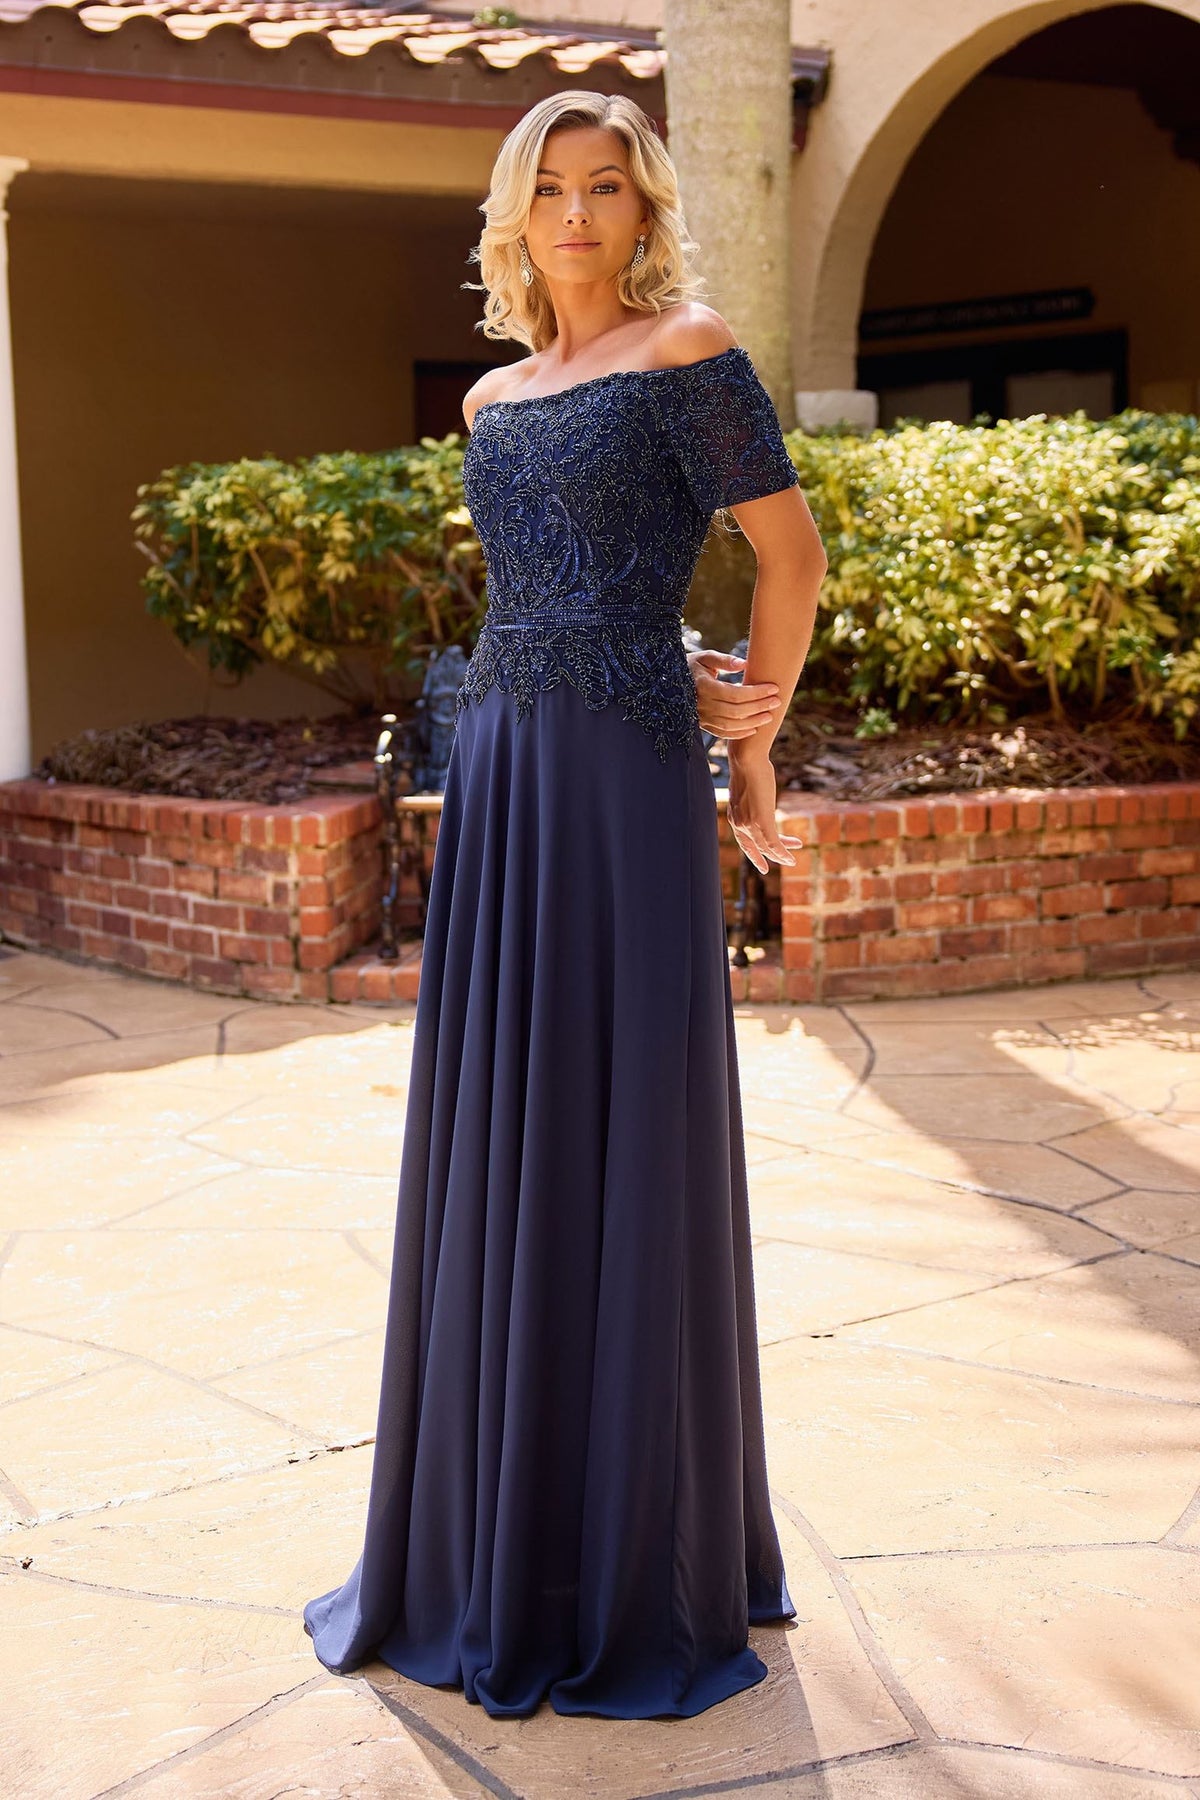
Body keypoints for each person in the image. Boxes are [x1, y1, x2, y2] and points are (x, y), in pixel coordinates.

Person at [304, 88, 828, 1721]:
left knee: (627, 1124)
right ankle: (495, 1544)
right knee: (505, 1122)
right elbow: (530, 595)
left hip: (624, 772)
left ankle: (628, 1564)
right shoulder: (492, 398)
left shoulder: (690, 352)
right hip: (506, 768)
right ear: (516, 217)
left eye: (607, 186)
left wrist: (755, 739)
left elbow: (792, 557)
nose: (580, 214)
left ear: (643, 205)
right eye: (552, 190)